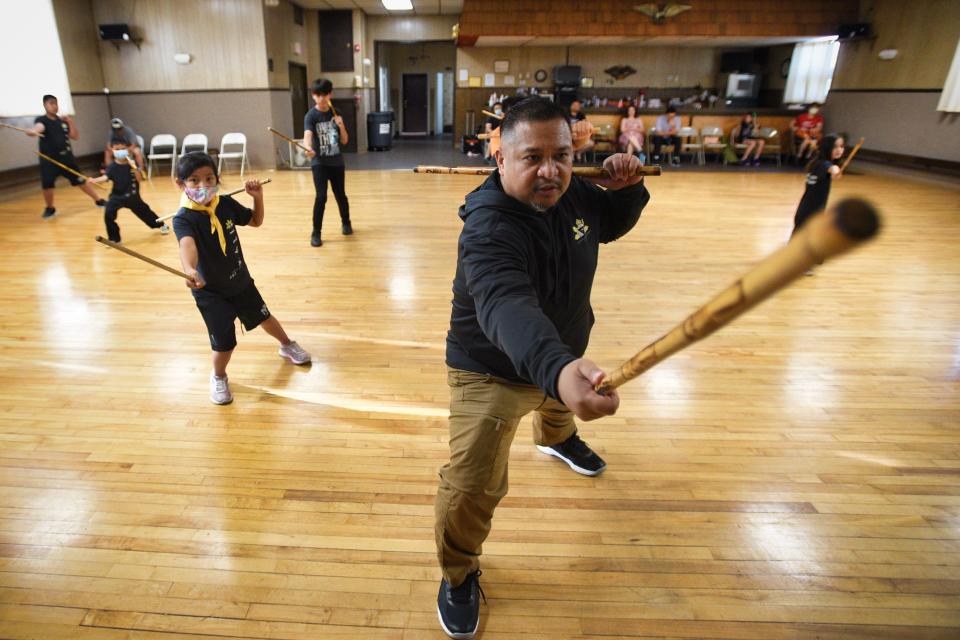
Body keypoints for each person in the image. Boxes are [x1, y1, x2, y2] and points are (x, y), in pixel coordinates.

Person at [434, 97, 651, 639]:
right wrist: (556, 366)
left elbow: (604, 226)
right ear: (500, 159)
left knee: (559, 402)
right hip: (491, 369)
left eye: (562, 155)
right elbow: (506, 304)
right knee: (472, 485)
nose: (550, 171)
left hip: (563, 347)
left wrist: (628, 193)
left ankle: (556, 437)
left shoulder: (571, 191)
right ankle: (458, 572)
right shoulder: (487, 229)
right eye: (533, 157)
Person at [172, 152, 311, 405]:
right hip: (210, 292)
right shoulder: (183, 218)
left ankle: (286, 344)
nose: (203, 186)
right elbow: (187, 246)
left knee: (264, 316)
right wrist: (190, 269)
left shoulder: (224, 204)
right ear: (180, 184)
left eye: (208, 178)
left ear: (217, 179)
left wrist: (258, 198)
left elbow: (255, 221)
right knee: (224, 343)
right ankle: (218, 376)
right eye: (193, 180)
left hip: (240, 280)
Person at [24, 94, 105, 218]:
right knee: (47, 184)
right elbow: (38, 128)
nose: (54, 106)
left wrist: (70, 122)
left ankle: (98, 200)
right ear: (45, 105)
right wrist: (33, 131)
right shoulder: (42, 120)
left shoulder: (62, 121)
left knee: (80, 180)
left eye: (56, 103)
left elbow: (75, 136)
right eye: (51, 103)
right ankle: (50, 208)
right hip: (49, 160)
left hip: (66, 158)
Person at [89, 137, 169, 243]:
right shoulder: (112, 166)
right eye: (117, 149)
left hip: (132, 196)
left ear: (128, 149)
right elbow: (105, 178)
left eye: (122, 148)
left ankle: (161, 225)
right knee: (108, 214)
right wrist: (95, 180)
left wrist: (135, 168)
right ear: (112, 150)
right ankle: (114, 239)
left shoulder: (132, 164)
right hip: (116, 196)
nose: (120, 151)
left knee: (145, 212)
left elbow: (139, 179)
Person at [304, 78, 352, 247]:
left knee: (340, 195)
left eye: (324, 94)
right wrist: (308, 147)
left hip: (337, 162)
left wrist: (342, 126)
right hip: (320, 163)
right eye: (318, 95)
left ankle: (346, 222)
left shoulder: (335, 112)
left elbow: (345, 141)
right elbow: (308, 135)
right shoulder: (311, 115)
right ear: (313, 96)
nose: (321, 98)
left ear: (330, 94)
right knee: (321, 197)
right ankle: (316, 232)